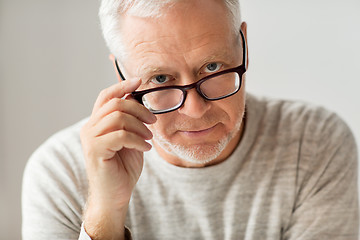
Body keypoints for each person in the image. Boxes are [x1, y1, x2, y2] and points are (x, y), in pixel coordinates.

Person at [22, 0, 359, 239]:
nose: (195, 110)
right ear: (121, 73)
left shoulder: (314, 143)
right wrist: (106, 213)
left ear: (242, 46)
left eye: (212, 67)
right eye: (160, 80)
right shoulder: (59, 172)